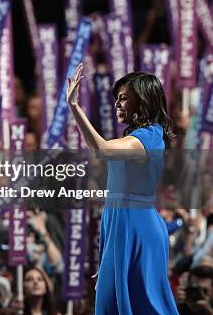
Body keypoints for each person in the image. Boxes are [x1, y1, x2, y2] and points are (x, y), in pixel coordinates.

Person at [66, 66, 179, 314]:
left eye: (124, 97)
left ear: (144, 100)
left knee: (145, 304)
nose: (117, 103)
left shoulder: (148, 136)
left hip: (137, 227)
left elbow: (102, 149)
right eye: (116, 97)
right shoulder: (140, 136)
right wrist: (107, 256)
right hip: (121, 223)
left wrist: (74, 106)